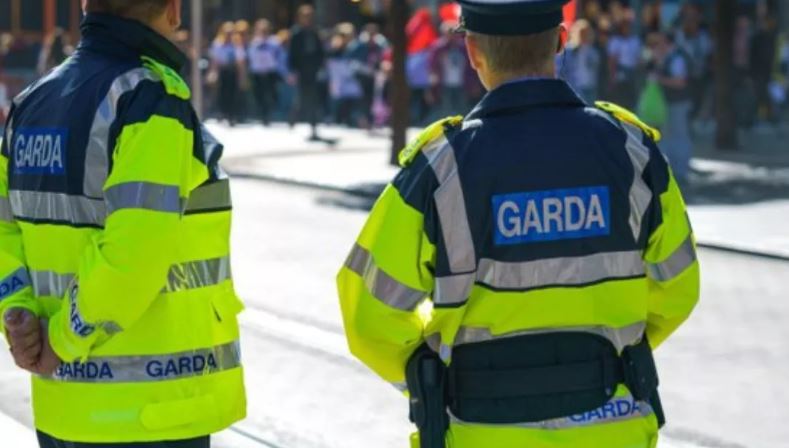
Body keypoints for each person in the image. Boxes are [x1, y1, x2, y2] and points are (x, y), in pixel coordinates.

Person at [336, 1, 700, 447]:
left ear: (473, 51)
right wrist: (612, 356)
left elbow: (369, 316)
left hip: (482, 433)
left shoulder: (440, 167)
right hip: (613, 428)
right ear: (561, 41)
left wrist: (433, 376)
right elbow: (678, 288)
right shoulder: (632, 152)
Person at [0, 1, 246, 447]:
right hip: (151, 412)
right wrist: (61, 342)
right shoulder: (149, 102)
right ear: (173, 10)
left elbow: (4, 229)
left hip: (63, 411)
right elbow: (134, 253)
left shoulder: (33, 102)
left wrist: (17, 312)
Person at [650, 31, 693, 188]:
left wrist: (660, 79)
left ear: (667, 43)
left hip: (678, 103)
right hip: (669, 103)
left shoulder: (677, 59)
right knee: (671, 136)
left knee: (679, 136)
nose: (658, 45)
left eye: (661, 42)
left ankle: (681, 172)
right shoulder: (668, 58)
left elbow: (680, 82)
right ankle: (674, 171)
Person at [288, 4, 326, 142]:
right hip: (301, 70)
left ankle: (313, 126)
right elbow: (292, 54)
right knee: (302, 97)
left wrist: (321, 66)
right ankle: (294, 116)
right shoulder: (296, 33)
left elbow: (320, 51)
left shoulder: (315, 32)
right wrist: (293, 70)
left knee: (313, 98)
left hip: (313, 70)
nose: (307, 19)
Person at [248, 19, 285, 126]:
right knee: (259, 94)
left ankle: (269, 114)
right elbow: (251, 57)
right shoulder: (254, 43)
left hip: (270, 72)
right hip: (257, 73)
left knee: (271, 94)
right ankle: (262, 115)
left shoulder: (274, 43)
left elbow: (279, 57)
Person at [210, 21, 244, 125]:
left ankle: (231, 116)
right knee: (222, 93)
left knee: (233, 94)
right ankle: (222, 113)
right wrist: (213, 72)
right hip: (223, 71)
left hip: (233, 71)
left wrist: (242, 76)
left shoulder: (237, 44)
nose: (229, 35)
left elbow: (240, 61)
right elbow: (215, 60)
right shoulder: (218, 44)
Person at [560, 19, 601, 103]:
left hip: (589, 86)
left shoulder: (592, 51)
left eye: (586, 33)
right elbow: (563, 69)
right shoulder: (569, 50)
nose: (584, 36)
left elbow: (595, 67)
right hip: (574, 86)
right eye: (581, 33)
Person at [607, 9, 642, 109]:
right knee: (620, 98)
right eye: (625, 26)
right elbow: (612, 61)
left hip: (632, 73)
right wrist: (612, 77)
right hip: (620, 72)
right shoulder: (615, 41)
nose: (627, 28)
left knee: (632, 98)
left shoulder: (635, 40)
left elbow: (638, 58)